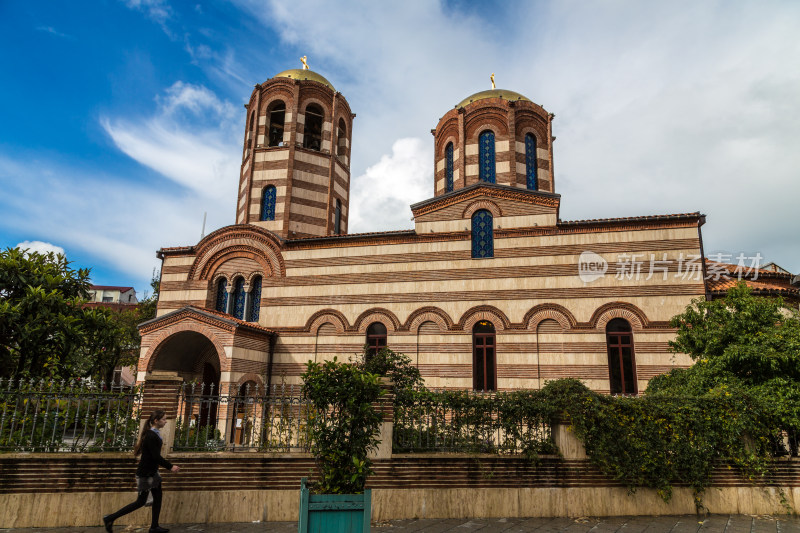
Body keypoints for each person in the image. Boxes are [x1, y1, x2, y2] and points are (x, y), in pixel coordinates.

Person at [103, 410, 180, 533]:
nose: (166, 422)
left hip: (152, 473)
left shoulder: (154, 434)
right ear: (156, 421)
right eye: (164, 419)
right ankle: (110, 518)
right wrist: (170, 466)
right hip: (146, 474)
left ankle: (154, 526)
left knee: (158, 498)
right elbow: (156, 456)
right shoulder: (151, 435)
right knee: (140, 502)